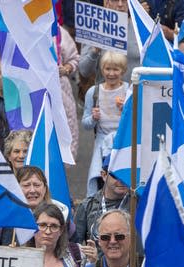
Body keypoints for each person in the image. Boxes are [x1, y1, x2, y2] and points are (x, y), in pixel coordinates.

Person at [82, 52, 128, 196]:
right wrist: (93, 118)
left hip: (123, 143)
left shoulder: (130, 90)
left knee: (123, 180)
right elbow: (85, 123)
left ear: (123, 70)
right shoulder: (93, 92)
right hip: (102, 145)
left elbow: (139, 121)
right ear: (102, 69)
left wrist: (126, 110)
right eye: (108, 69)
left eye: (116, 69)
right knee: (100, 180)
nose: (111, 73)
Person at [79, 0, 139, 85]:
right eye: (115, 0)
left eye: (124, 1)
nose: (120, 4)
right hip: (105, 95)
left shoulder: (140, 28)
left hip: (135, 94)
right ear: (106, 3)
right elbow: (84, 71)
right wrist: (95, 51)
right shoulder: (95, 28)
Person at [74, 155, 131, 244]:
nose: (122, 180)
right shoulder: (88, 206)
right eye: (116, 175)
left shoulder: (140, 203)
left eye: (126, 174)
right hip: (96, 258)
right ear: (104, 175)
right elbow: (74, 246)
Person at [58, 26, 80, 159]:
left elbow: (74, 58)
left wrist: (66, 68)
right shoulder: (18, 27)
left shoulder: (58, 31)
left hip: (60, 90)